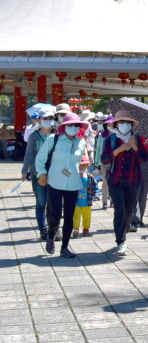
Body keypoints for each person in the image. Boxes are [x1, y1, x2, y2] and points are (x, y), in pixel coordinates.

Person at [36, 112, 88, 258]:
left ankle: (65, 247)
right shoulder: (54, 139)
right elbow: (40, 158)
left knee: (69, 216)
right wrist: (41, 173)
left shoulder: (81, 141)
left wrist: (83, 166)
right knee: (55, 214)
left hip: (72, 183)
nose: (73, 128)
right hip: (54, 181)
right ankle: (51, 236)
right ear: (64, 126)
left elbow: (79, 160)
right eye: (70, 125)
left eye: (76, 125)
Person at [102, 110, 148, 256]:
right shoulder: (110, 140)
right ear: (116, 124)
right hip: (115, 180)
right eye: (122, 122)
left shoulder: (137, 138)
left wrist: (135, 147)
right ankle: (120, 241)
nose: (125, 125)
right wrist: (119, 149)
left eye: (128, 122)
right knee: (120, 211)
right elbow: (104, 159)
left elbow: (144, 159)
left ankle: (124, 232)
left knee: (129, 211)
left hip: (133, 180)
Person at [21, 110, 56, 239]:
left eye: (51, 118)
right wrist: (24, 170)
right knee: (41, 202)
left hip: (54, 172)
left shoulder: (56, 134)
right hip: (37, 172)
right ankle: (43, 229)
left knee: (53, 202)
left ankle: (54, 228)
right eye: (45, 118)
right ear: (40, 119)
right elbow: (29, 154)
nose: (48, 120)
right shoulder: (34, 136)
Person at [73, 156, 97, 238]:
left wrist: (96, 194)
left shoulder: (90, 177)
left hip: (87, 201)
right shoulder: (74, 175)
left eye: (83, 165)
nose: (81, 167)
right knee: (76, 215)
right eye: (80, 165)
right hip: (77, 201)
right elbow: (65, 173)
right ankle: (76, 228)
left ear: (88, 165)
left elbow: (95, 186)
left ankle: (86, 228)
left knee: (87, 216)